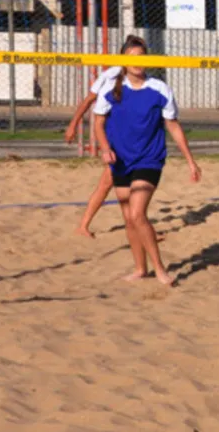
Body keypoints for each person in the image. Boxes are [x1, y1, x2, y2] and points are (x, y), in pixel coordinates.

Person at [92, 35, 201, 285]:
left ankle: (160, 269)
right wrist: (105, 148)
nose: (137, 62)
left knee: (139, 213)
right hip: (120, 160)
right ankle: (141, 269)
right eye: (131, 58)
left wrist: (190, 161)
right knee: (129, 218)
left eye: (142, 57)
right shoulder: (111, 89)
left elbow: (173, 126)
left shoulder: (159, 89)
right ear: (122, 61)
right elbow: (99, 123)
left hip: (149, 159)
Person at [66, 53, 125, 238]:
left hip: (129, 134)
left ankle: (84, 225)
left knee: (114, 182)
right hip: (114, 133)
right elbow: (88, 100)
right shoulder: (110, 76)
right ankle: (83, 226)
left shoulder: (145, 78)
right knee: (115, 181)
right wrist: (73, 124)